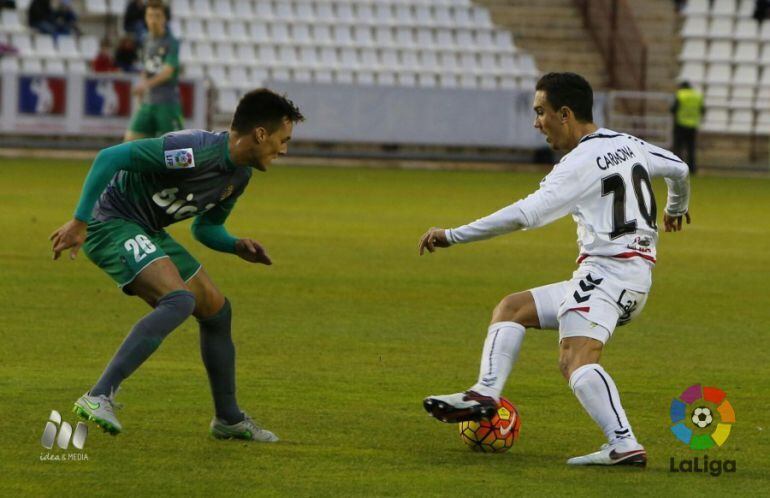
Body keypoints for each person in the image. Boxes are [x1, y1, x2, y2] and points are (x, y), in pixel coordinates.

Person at [419, 72, 691, 467]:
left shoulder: (578, 163)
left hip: (608, 274)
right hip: (629, 275)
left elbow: (525, 214)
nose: (536, 122)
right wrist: (676, 208)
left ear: (565, 114)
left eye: (540, 112)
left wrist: (453, 235)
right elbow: (680, 168)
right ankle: (486, 393)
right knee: (512, 308)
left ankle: (623, 443)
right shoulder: (627, 144)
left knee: (575, 360)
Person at [49, 88, 305, 441]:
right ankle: (99, 395)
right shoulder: (191, 152)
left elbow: (205, 227)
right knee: (179, 300)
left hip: (147, 229)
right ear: (261, 134)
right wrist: (79, 221)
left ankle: (228, 419)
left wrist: (234, 245)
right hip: (110, 222)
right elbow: (110, 157)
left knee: (216, 309)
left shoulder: (239, 176)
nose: (284, 149)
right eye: (283, 139)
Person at [125, 0, 182, 141]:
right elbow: (146, 69)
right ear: (145, 17)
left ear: (164, 18)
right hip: (147, 103)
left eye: (157, 16)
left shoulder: (171, 42)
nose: (153, 20)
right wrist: (141, 93)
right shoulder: (146, 41)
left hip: (167, 104)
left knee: (177, 150)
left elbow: (167, 72)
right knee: (130, 141)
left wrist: (145, 85)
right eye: (150, 16)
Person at [671, 81, 704, 174]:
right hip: (692, 125)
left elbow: (673, 109)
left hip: (680, 125)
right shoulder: (697, 96)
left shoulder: (680, 94)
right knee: (691, 148)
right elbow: (702, 110)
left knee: (679, 148)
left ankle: (679, 168)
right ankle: (692, 169)